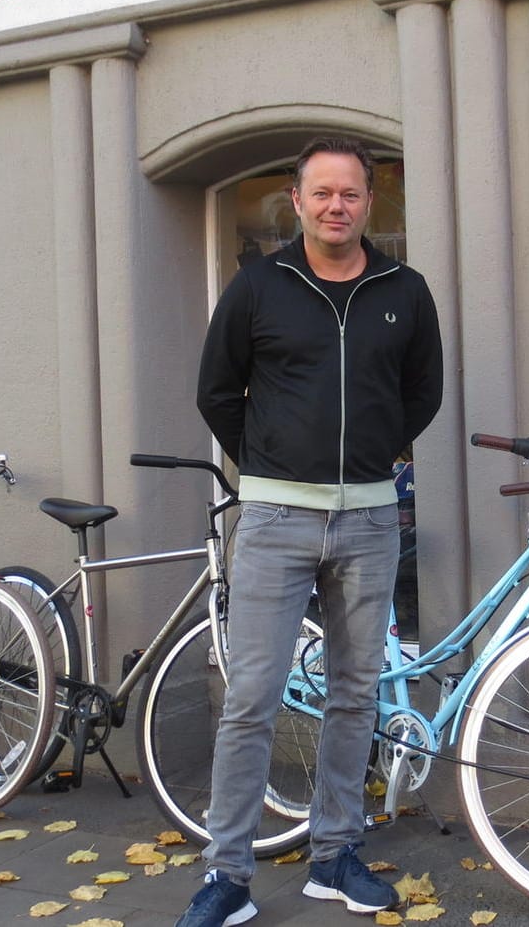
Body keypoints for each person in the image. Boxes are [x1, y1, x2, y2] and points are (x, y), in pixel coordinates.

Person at [182, 136, 445, 927]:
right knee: (252, 697)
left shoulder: (405, 289)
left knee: (353, 695)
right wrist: (267, 463)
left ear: (370, 203)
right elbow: (216, 392)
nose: (337, 206)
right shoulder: (260, 285)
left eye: (352, 194)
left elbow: (421, 394)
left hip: (368, 517)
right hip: (272, 518)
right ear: (296, 202)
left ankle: (335, 854)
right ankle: (226, 876)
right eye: (322, 193)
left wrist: (373, 453)